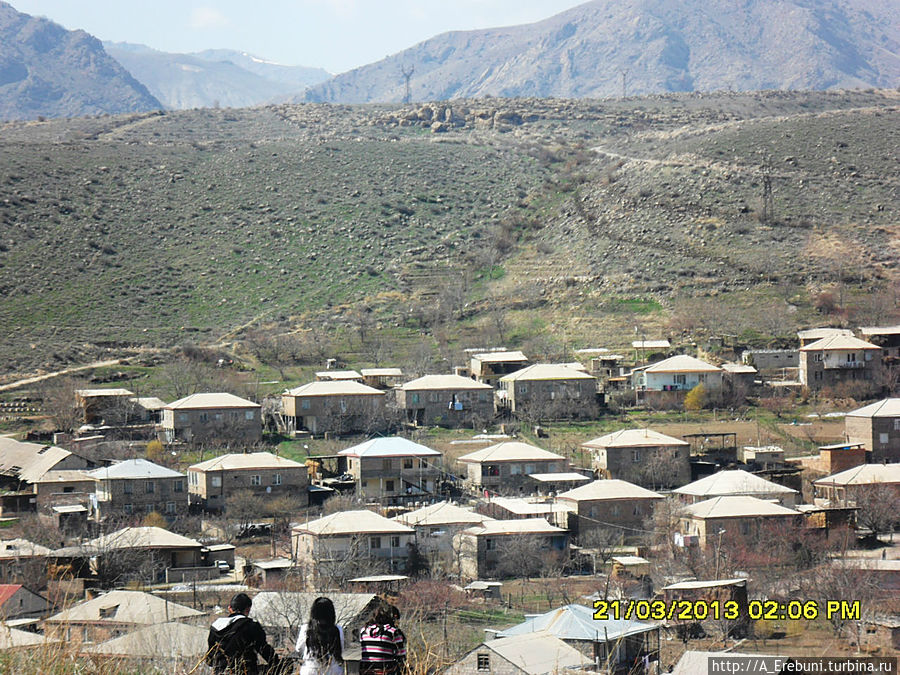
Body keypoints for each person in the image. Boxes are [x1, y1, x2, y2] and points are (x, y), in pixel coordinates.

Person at [207, 592, 280, 675]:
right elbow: (264, 650)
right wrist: (279, 665)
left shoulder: (215, 627)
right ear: (247, 610)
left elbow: (210, 658)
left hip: (220, 672)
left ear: (229, 608)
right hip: (244, 671)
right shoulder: (251, 626)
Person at [295, 596, 344, 675]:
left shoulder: (306, 628)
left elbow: (299, 648)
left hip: (310, 669)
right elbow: (341, 649)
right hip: (333, 669)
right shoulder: (338, 629)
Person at [360, 600, 406, 675]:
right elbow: (401, 657)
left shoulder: (364, 631)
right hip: (385, 671)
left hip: (365, 671)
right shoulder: (393, 632)